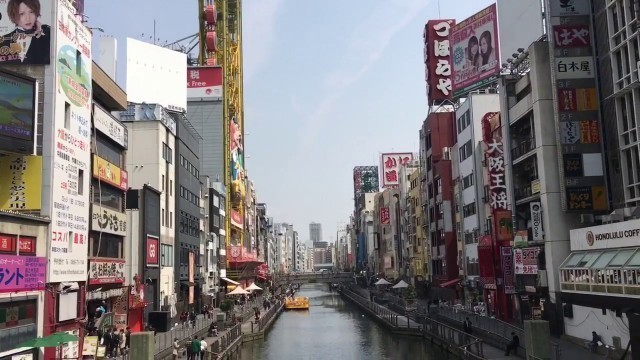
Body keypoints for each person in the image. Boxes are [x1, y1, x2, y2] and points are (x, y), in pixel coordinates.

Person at [0, 0, 51, 64]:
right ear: (13, 15)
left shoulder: (48, 35)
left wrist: (43, 29)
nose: (28, 18)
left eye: (31, 12)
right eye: (22, 14)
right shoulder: (3, 41)